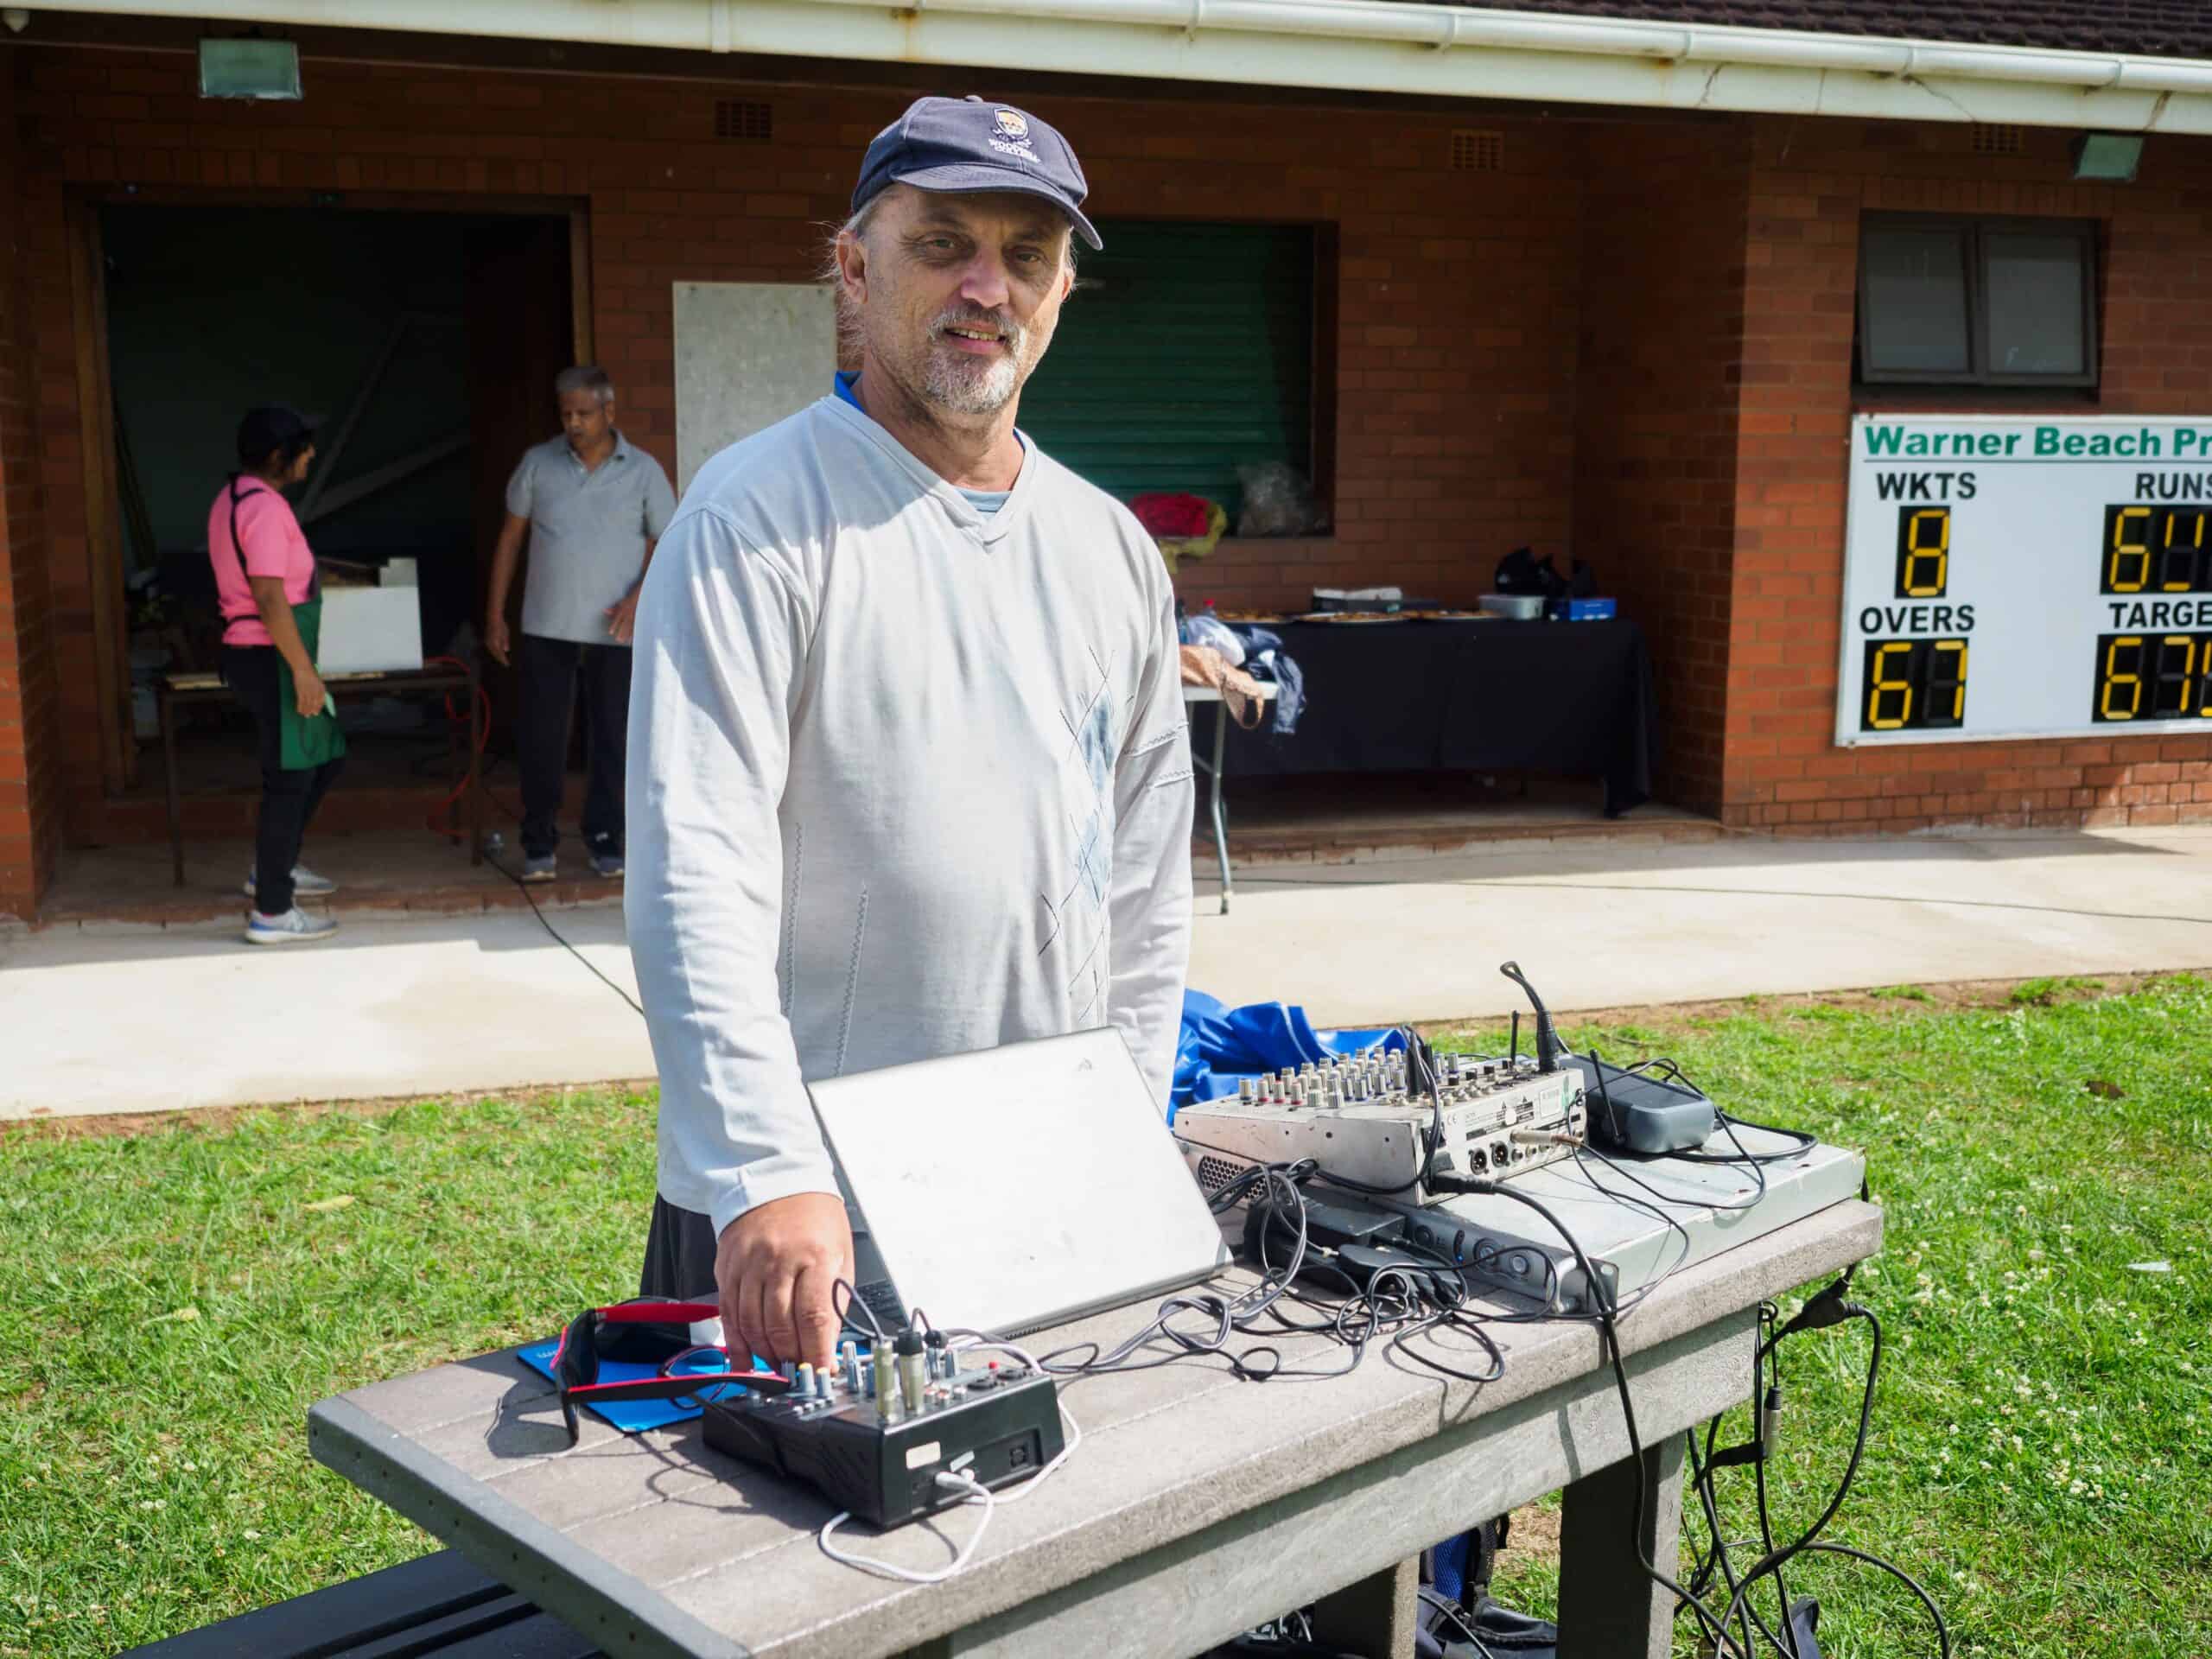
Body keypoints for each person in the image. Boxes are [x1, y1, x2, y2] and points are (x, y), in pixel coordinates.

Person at [627, 96, 1194, 1370]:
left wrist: (1127, 1125)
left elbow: (1147, 895)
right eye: (943, 244)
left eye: (1026, 256)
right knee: (755, 1557)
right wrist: (766, 1171)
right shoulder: (755, 519)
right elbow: (691, 870)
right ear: (854, 265)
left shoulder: (1109, 550)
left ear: (1059, 295)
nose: (986, 287)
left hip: (1036, 1184)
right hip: (805, 1207)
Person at [485, 366, 676, 882]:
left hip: (616, 631)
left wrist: (640, 598)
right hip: (546, 626)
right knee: (542, 739)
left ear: (609, 412)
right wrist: (494, 613)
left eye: (584, 414)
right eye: (566, 414)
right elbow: (510, 539)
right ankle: (539, 844)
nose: (574, 423)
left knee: (613, 737)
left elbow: (669, 541)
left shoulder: (643, 471)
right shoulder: (537, 464)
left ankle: (606, 840)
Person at [210, 404, 346, 946]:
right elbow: (268, 595)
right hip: (271, 654)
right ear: (275, 457)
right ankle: (271, 908)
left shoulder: (235, 497)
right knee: (290, 778)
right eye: (303, 448)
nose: (311, 456)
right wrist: (303, 670)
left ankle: (276, 864)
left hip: (262, 651)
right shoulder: (263, 508)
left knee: (325, 757)